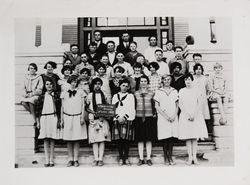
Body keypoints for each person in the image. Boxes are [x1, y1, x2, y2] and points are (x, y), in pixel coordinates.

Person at [178, 73, 208, 165]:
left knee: (194, 136)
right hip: (185, 115)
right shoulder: (182, 91)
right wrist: (187, 114)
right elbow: (180, 104)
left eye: (189, 79)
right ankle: (190, 157)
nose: (187, 81)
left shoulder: (197, 90)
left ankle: (194, 157)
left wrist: (194, 114)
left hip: (196, 115)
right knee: (188, 136)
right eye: (186, 80)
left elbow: (199, 103)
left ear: (192, 80)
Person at [60, 75, 88, 167]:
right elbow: (62, 106)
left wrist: (82, 117)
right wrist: (62, 119)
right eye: (72, 81)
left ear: (77, 83)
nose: (73, 83)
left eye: (75, 82)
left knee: (76, 138)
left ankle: (76, 159)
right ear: (69, 82)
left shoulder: (81, 92)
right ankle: (70, 159)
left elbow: (83, 105)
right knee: (68, 139)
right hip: (67, 117)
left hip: (77, 117)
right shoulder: (64, 92)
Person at [86, 78, 111, 166]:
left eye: (99, 84)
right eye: (95, 84)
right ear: (93, 85)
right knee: (94, 140)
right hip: (93, 119)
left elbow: (108, 106)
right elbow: (87, 107)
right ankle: (95, 158)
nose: (97, 85)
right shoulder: (89, 95)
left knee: (102, 139)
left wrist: (103, 114)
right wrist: (93, 112)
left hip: (102, 119)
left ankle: (100, 159)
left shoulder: (104, 94)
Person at [154, 75, 178, 165]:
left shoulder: (174, 91)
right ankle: (165, 157)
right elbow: (157, 106)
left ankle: (170, 157)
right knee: (165, 137)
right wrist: (166, 116)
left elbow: (177, 105)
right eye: (165, 80)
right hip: (163, 117)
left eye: (169, 80)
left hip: (173, 117)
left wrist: (174, 115)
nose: (167, 81)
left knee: (171, 137)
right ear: (162, 81)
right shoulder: (159, 91)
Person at [36, 79, 61, 167]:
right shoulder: (42, 97)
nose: (49, 86)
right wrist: (38, 121)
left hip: (53, 117)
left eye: (50, 84)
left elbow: (59, 109)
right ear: (45, 86)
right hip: (44, 117)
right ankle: (46, 159)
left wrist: (59, 119)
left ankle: (51, 159)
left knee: (52, 138)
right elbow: (38, 110)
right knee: (45, 138)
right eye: (47, 84)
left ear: (53, 86)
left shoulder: (56, 96)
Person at [111, 78, 136, 165]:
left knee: (126, 140)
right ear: (119, 86)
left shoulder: (130, 96)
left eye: (126, 86)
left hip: (127, 120)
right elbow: (112, 108)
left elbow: (131, 108)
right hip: (117, 120)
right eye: (123, 86)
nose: (124, 88)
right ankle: (121, 157)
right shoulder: (115, 96)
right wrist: (118, 117)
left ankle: (126, 157)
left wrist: (124, 118)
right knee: (119, 140)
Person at [134, 75, 157, 166]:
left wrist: (154, 113)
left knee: (148, 138)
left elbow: (154, 104)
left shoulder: (152, 93)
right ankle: (141, 158)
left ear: (148, 83)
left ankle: (148, 158)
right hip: (139, 117)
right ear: (139, 83)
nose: (143, 83)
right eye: (142, 81)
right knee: (140, 139)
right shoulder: (135, 93)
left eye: (145, 81)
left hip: (149, 117)